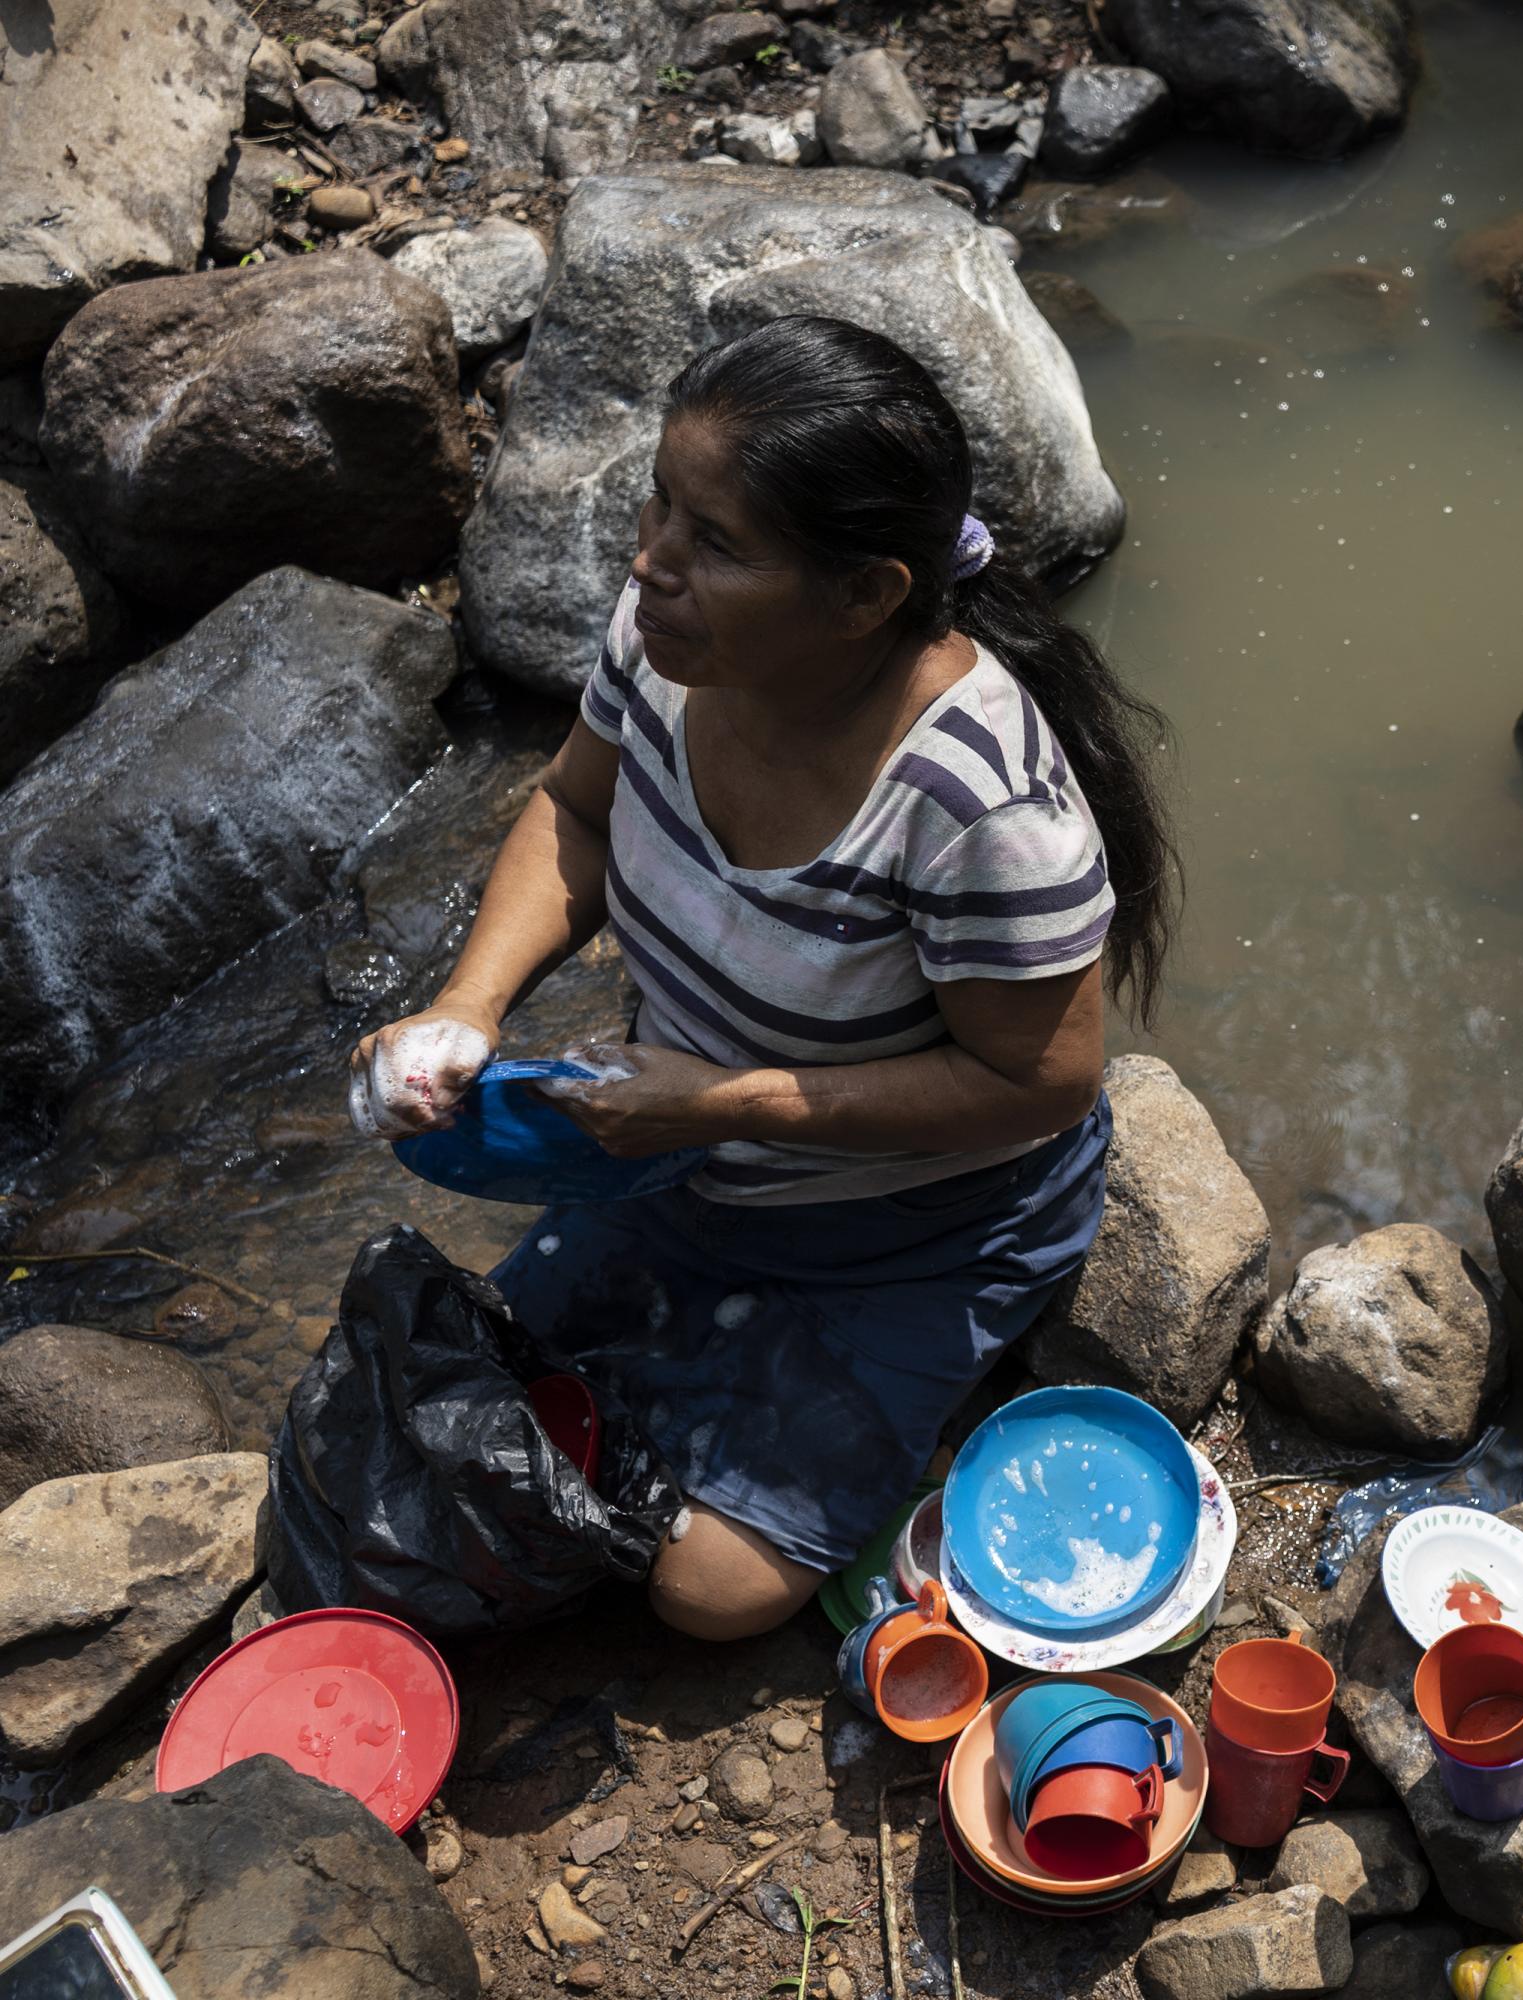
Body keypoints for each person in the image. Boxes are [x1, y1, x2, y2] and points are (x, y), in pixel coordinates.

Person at [347, 315, 1176, 1641]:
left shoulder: (976, 807)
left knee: (705, 1594)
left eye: (715, 544)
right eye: (660, 510)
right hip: (678, 1152)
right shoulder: (667, 645)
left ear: (865, 596)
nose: (650, 565)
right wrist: (468, 1008)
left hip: (920, 1218)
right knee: (496, 1409)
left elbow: (1040, 1083)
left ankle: (942, 1383)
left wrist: (725, 1104)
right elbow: (573, 814)